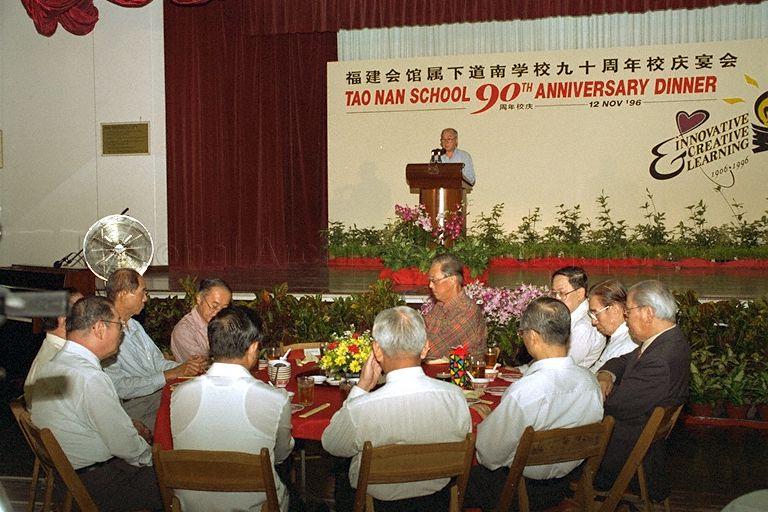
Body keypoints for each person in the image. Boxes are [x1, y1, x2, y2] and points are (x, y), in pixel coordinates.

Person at [322, 306, 471, 511]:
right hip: (437, 502)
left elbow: (332, 445)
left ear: (377, 350)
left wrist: (361, 388)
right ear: (426, 347)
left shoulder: (362, 408)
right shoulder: (455, 398)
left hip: (376, 505)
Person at [466, 297, 604, 511]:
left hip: (516, 492)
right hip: (564, 487)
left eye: (522, 334)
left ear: (531, 336)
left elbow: (488, 455)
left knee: (454, 478)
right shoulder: (591, 383)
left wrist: (488, 421)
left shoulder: (527, 391)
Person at [28, 296, 162, 511]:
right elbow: (125, 446)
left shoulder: (51, 366)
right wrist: (156, 461)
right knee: (180, 485)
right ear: (100, 328)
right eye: (119, 325)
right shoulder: (89, 377)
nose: (122, 332)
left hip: (69, 479)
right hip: (101, 484)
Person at [171, 306, 294, 512]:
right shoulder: (275, 398)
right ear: (253, 348)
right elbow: (281, 454)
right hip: (256, 506)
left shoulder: (179, 394)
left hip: (192, 506)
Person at [595, 280, 690, 502]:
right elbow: (623, 360)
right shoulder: (668, 341)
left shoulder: (660, 359)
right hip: (637, 446)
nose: (625, 320)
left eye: (628, 312)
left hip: (619, 459)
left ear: (648, 313)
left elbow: (616, 404)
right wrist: (606, 374)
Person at [103, 268, 205, 432]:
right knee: (192, 417)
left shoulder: (134, 325)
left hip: (154, 396)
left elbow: (157, 362)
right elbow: (120, 387)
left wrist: (187, 367)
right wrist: (169, 374)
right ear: (123, 295)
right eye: (142, 292)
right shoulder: (105, 332)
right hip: (135, 408)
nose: (145, 299)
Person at [423, 253, 487, 358]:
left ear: (453, 280)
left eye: (434, 280)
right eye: (429, 280)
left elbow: (431, 350)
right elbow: (419, 333)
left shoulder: (467, 311)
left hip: (463, 373)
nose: (430, 285)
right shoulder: (440, 305)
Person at [24, 289, 83, 399]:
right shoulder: (60, 362)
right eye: (82, 311)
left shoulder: (51, 347)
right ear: (63, 320)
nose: (88, 316)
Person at [549, 266, 605, 369]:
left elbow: (559, 365)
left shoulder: (584, 326)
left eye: (562, 293)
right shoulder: (568, 315)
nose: (556, 299)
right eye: (554, 293)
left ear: (580, 294)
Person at [170, 278, 232, 362]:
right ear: (199, 299)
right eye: (214, 306)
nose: (218, 313)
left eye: (224, 308)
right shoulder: (184, 330)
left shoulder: (225, 322)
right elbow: (200, 365)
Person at [587, 279, 637, 373]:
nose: (593, 322)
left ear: (615, 309)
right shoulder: (617, 337)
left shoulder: (627, 347)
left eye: (596, 314)